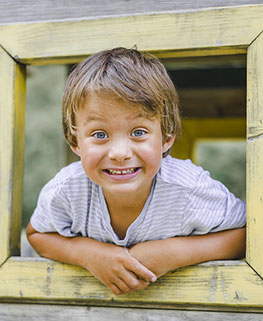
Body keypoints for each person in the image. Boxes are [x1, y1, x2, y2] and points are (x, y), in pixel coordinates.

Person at [27, 47, 246, 296]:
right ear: (74, 141)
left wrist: (172, 253)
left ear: (166, 137)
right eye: (100, 134)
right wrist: (89, 254)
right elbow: (37, 234)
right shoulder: (66, 190)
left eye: (138, 132)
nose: (120, 153)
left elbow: (246, 234)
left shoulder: (189, 188)